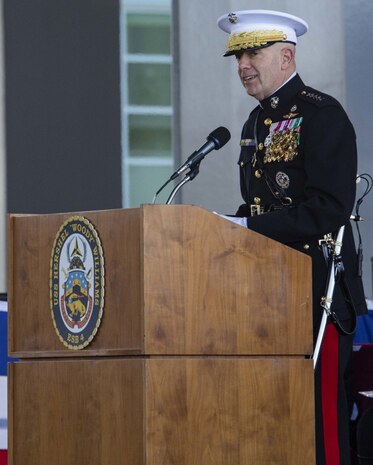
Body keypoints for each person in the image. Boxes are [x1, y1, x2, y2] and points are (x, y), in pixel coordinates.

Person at [217, 9, 367, 465]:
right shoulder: (253, 125)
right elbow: (261, 205)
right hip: (265, 291)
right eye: (238, 56)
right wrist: (223, 224)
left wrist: (248, 227)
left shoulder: (322, 114)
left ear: (286, 56)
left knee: (318, 418)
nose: (243, 65)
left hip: (315, 289)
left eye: (253, 53)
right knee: (271, 412)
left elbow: (327, 208)